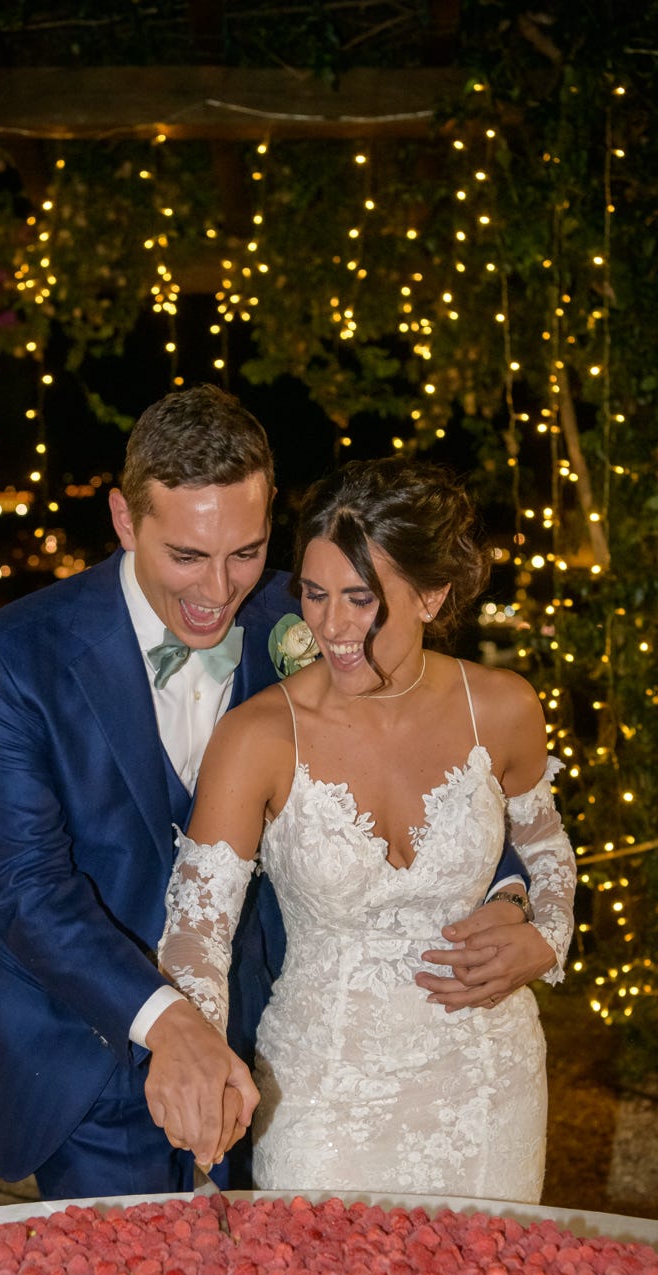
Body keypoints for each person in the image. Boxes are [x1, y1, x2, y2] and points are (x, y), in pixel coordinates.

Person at [0, 387, 543, 1199]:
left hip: (265, 1046)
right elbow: (28, 888)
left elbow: (431, 757)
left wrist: (512, 892)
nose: (220, 590)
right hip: (83, 1046)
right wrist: (169, 1023)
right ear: (125, 520)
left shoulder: (309, 614)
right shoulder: (10, 660)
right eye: (187, 556)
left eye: (248, 552)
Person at [157, 457, 576, 1200]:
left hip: (490, 1084)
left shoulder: (504, 707)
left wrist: (545, 933)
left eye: (360, 599)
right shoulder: (258, 737)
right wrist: (199, 1054)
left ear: (431, 595)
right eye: (315, 596)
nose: (331, 626)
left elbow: (546, 851)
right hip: (322, 1094)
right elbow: (198, 932)